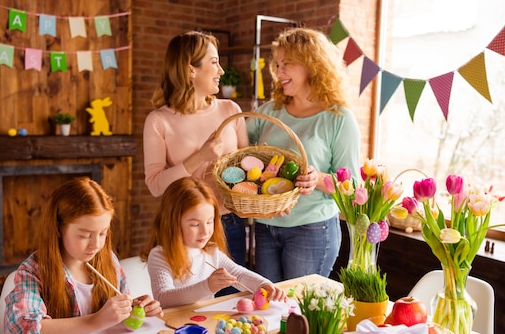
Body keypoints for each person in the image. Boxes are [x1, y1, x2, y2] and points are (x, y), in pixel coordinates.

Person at [247, 27, 361, 282]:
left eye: (286, 64)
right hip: (266, 226)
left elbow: (352, 186)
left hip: (312, 230)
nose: (278, 72)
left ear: (312, 64)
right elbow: (242, 155)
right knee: (271, 311)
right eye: (276, 65)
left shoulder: (338, 119)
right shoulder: (269, 112)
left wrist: (317, 178)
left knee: (300, 312)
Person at [4, 177, 162, 334]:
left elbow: (122, 321)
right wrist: (95, 320)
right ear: (58, 228)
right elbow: (21, 331)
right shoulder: (34, 271)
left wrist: (132, 309)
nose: (96, 245)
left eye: (103, 233)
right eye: (85, 235)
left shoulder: (108, 260)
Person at [143, 31, 249, 273]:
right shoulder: (159, 120)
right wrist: (200, 157)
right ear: (191, 70)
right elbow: (156, 185)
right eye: (214, 62)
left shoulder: (230, 109)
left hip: (228, 223)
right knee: (190, 305)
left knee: (231, 301)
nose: (221, 70)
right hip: (184, 227)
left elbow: (250, 172)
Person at [143, 177, 287, 309]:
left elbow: (238, 274)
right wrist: (207, 286)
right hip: (173, 326)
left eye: (210, 221)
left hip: (204, 321)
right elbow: (163, 298)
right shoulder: (160, 256)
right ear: (172, 223)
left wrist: (264, 284)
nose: (205, 231)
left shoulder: (210, 251)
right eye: (194, 224)